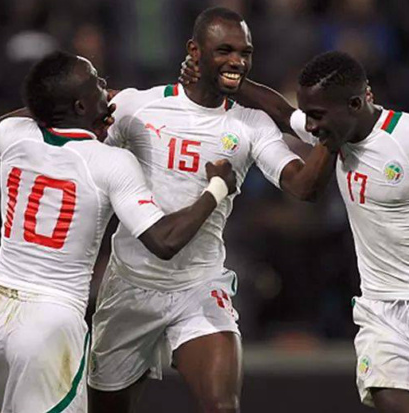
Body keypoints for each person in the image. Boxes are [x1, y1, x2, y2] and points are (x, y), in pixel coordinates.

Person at [0, 50, 237, 413]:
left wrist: (44, 110)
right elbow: (164, 241)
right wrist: (216, 189)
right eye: (97, 82)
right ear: (80, 106)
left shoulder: (14, 136)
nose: (105, 87)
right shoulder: (109, 162)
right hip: (51, 321)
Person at [218, 51, 409, 412]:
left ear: (355, 103)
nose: (312, 127)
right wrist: (235, 84)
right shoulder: (333, 127)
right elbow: (279, 111)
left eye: (318, 116)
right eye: (309, 115)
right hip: (381, 316)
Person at [89, 7, 334, 413]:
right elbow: (73, 131)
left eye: (245, 52)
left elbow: (303, 186)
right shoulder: (139, 107)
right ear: (194, 50)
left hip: (199, 286)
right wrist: (10, 129)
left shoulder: (250, 124)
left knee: (222, 406)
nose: (237, 60)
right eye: (224, 50)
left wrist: (331, 134)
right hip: (130, 285)